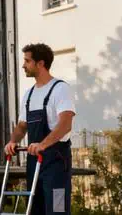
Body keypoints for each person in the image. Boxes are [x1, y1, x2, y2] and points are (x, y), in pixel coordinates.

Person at [4, 43, 75, 214]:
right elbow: (22, 126)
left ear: (40, 64)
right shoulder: (28, 94)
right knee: (35, 209)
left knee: (57, 210)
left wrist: (43, 144)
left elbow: (65, 124)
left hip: (56, 162)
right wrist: (13, 141)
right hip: (34, 161)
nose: (23, 65)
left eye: (27, 61)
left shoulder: (60, 89)